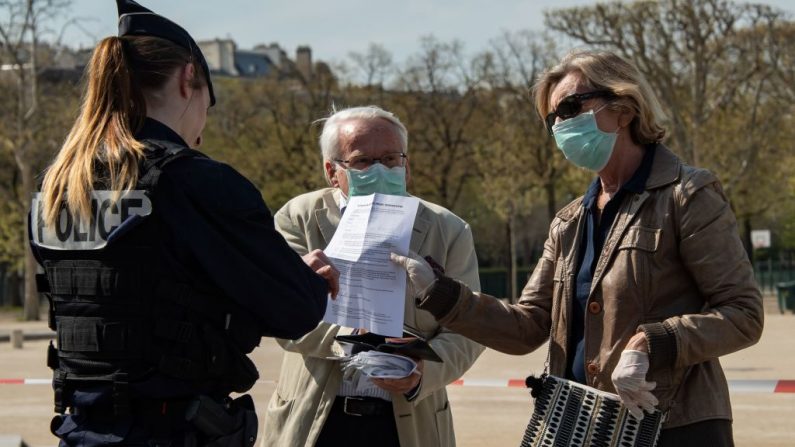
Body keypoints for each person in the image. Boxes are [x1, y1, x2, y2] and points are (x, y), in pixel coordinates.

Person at [391, 50, 763, 447]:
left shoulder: (687, 195)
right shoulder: (568, 221)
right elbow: (527, 326)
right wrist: (441, 293)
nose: (560, 125)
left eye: (570, 106)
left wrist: (651, 343)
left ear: (624, 107)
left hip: (672, 428)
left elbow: (743, 314)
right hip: (578, 427)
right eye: (552, 118)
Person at [28, 1, 338, 446]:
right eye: (207, 107)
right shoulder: (196, 181)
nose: (201, 130)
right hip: (172, 429)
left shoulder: (55, 187)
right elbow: (295, 311)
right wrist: (307, 279)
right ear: (189, 78)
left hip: (82, 430)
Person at [261, 106, 484, 447]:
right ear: (331, 171)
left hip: (408, 425)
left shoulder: (449, 230)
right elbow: (281, 314)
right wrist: (353, 336)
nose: (381, 169)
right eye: (363, 161)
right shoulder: (297, 218)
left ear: (406, 166)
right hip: (316, 420)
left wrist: (423, 373)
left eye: (391, 158)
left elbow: (468, 329)